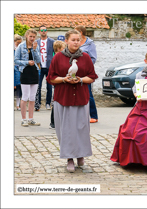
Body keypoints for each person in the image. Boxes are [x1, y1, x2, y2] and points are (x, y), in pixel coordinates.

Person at [46, 30, 98, 172]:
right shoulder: (58, 58)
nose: (76, 42)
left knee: (81, 128)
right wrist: (64, 79)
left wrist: (80, 79)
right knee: (66, 130)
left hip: (81, 97)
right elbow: (51, 78)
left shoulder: (86, 57)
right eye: (73, 40)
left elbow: (92, 77)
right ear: (67, 41)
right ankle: (69, 158)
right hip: (63, 98)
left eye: (78, 40)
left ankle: (80, 155)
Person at [14, 29, 41, 127]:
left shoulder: (36, 46)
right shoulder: (21, 46)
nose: (32, 39)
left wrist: (34, 50)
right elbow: (16, 60)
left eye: (34, 37)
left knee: (33, 97)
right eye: (31, 36)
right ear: (26, 35)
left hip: (34, 72)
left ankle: (31, 118)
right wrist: (27, 62)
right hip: (25, 72)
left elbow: (39, 60)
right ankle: (23, 119)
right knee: (25, 96)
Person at [74, 25, 98, 123]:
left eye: (76, 32)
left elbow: (93, 58)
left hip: (86, 72)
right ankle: (78, 116)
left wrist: (84, 66)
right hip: (75, 71)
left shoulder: (90, 44)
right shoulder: (75, 42)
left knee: (88, 93)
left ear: (81, 32)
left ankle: (94, 116)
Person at [35, 25, 55, 111]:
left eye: (45, 30)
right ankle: (37, 104)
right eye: (42, 30)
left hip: (49, 67)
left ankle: (48, 103)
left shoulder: (52, 41)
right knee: (38, 86)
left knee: (49, 87)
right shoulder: (36, 42)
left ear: (47, 31)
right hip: (39, 67)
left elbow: (56, 53)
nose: (43, 31)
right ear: (39, 32)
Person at [49, 39, 67, 129]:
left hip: (60, 81)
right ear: (59, 49)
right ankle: (53, 122)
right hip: (58, 82)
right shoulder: (56, 58)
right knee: (55, 102)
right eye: (64, 48)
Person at [14, 34, 23, 111]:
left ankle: (18, 105)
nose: (19, 44)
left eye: (20, 42)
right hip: (13, 69)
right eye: (17, 43)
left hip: (19, 69)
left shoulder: (21, 49)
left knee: (19, 89)